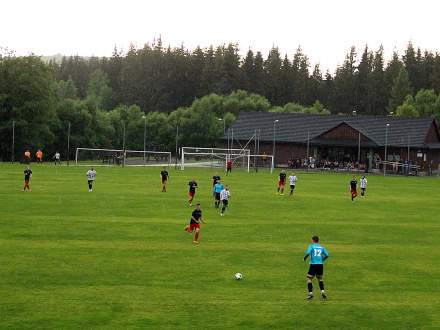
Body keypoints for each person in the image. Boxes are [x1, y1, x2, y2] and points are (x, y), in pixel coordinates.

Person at [303, 235, 329, 300]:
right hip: (320, 265)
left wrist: (305, 258)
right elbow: (327, 255)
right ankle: (322, 291)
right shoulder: (321, 247)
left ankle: (310, 294)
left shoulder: (311, 246)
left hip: (313, 264)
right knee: (320, 278)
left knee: (309, 279)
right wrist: (322, 260)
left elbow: (308, 253)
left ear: (313, 240)